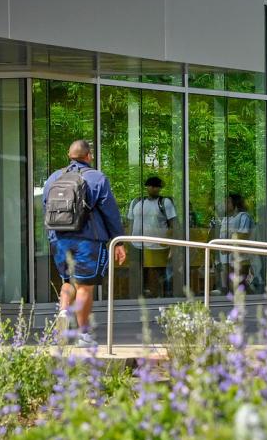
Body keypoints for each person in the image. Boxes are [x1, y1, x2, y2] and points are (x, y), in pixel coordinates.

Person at [43, 140, 127, 347]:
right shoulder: (97, 178)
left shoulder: (54, 177)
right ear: (89, 156)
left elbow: (47, 206)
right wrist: (118, 241)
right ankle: (83, 335)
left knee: (67, 281)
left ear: (68, 155)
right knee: (85, 287)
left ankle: (63, 312)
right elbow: (110, 212)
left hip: (59, 238)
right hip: (88, 239)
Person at [127, 176, 177, 298]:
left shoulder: (165, 203)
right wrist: (127, 241)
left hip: (158, 246)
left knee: (158, 273)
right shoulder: (136, 202)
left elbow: (173, 224)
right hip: (136, 244)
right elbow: (130, 223)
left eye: (156, 186)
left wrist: (173, 246)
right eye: (150, 185)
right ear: (146, 187)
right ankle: (139, 296)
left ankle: (160, 296)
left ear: (160, 188)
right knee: (138, 272)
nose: (153, 188)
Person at [213, 193, 255, 293]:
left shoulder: (244, 216)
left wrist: (227, 247)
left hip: (241, 259)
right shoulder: (225, 219)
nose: (224, 205)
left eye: (227, 202)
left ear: (235, 204)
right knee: (231, 288)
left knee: (239, 286)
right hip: (226, 260)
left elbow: (243, 235)